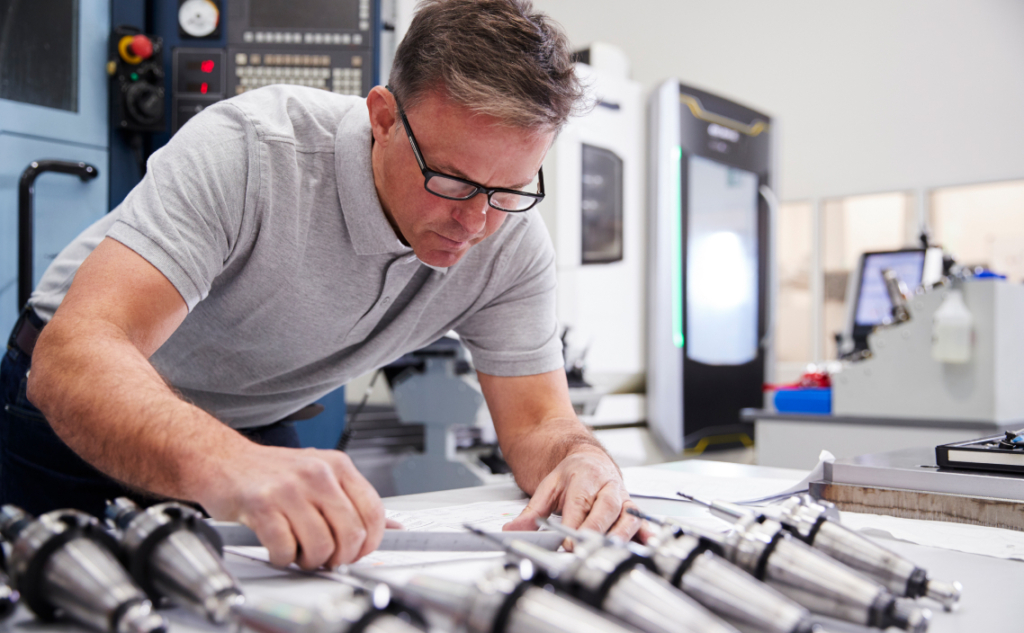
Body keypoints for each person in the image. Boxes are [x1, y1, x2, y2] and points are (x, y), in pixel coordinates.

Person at [0, 0, 644, 569]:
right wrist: (230, 465)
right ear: (383, 118)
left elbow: (539, 422)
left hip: (247, 431)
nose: (476, 223)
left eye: (508, 189)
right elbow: (74, 357)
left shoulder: (511, 239)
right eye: (451, 180)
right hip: (80, 411)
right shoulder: (252, 151)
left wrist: (581, 460)